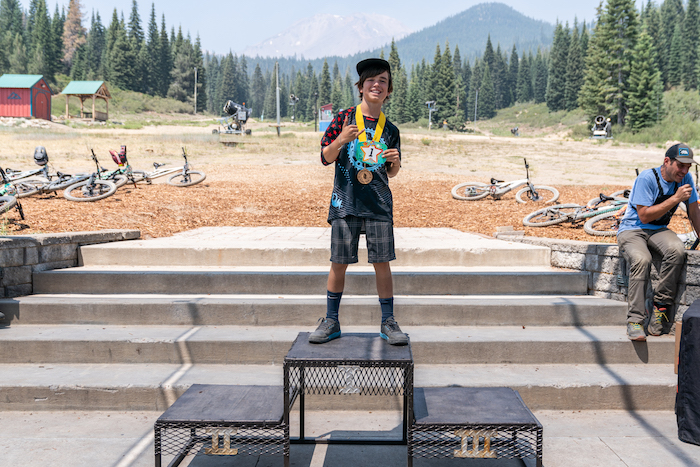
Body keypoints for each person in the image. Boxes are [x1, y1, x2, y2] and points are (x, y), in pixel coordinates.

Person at [309, 58, 407, 346]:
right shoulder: (344, 117)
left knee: (382, 263)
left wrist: (396, 162)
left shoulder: (391, 129)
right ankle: (331, 320)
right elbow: (325, 157)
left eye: (383, 81)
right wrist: (340, 139)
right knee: (339, 262)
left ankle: (388, 322)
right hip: (345, 203)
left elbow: (391, 172)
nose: (377, 85)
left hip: (378, 204)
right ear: (361, 87)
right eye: (371, 80)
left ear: (388, 91)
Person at [617, 143, 700, 341]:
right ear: (667, 161)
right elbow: (644, 216)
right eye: (680, 165)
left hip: (658, 230)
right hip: (632, 229)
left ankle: (660, 308)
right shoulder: (647, 178)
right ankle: (635, 320)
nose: (684, 171)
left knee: (677, 250)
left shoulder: (685, 179)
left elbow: (694, 211)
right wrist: (676, 198)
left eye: (688, 167)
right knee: (641, 259)